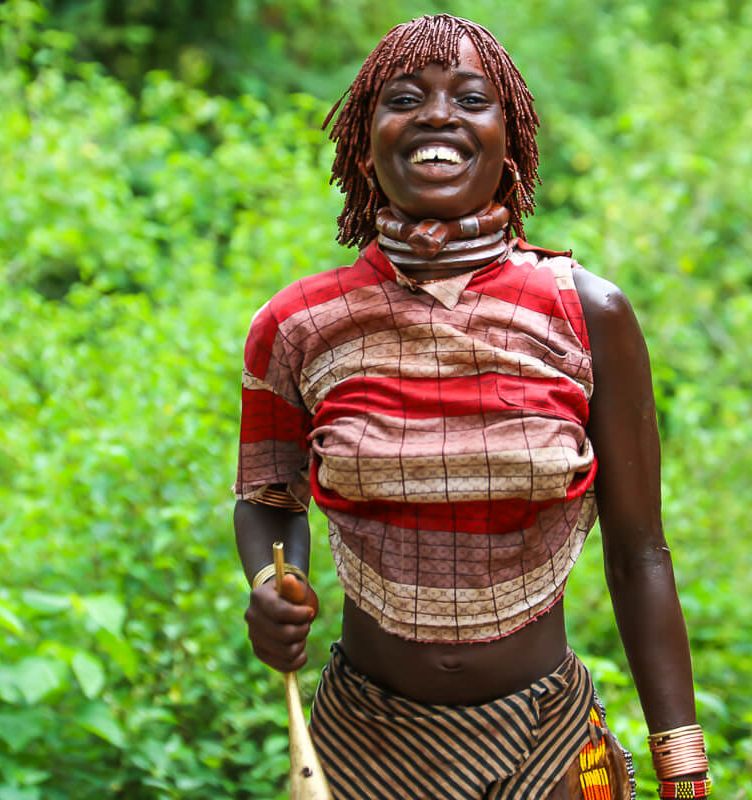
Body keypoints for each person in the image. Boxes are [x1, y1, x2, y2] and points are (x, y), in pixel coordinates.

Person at [234, 14, 712, 800]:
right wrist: (267, 583)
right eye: (404, 98)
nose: (436, 115)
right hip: (362, 744)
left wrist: (682, 765)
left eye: (470, 97)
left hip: (549, 743)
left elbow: (640, 555)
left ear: (510, 141)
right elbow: (268, 498)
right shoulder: (297, 327)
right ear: (363, 142)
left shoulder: (589, 314)